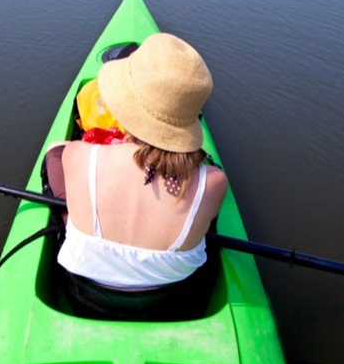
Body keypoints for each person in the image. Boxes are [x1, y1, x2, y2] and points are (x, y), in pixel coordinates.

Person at [51, 33, 229, 320]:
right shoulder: (215, 183)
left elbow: (63, 155)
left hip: (86, 299)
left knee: (54, 154)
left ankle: (65, 219)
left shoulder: (79, 155)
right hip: (170, 304)